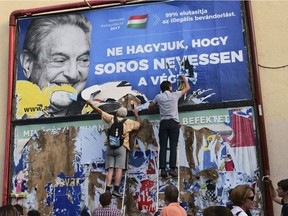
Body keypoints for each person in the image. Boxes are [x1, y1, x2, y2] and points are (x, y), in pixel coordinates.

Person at [19, 13, 92, 118]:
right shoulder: (15, 109)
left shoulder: (97, 113)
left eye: (83, 60)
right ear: (27, 63)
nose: (73, 74)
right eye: (59, 60)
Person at [87, 100, 141, 197]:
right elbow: (138, 125)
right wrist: (136, 115)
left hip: (110, 146)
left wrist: (91, 104)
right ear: (125, 115)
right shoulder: (128, 122)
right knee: (119, 169)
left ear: (117, 113)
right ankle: (116, 189)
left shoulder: (111, 118)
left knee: (110, 169)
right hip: (122, 147)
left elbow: (100, 111)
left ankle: (107, 189)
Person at [149, 74, 190, 178]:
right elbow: (187, 88)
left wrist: (153, 105)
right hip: (173, 123)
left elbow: (151, 106)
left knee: (163, 147)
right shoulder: (175, 95)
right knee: (173, 146)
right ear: (169, 87)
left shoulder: (158, 97)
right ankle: (172, 169)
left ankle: (162, 170)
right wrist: (184, 79)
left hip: (163, 123)